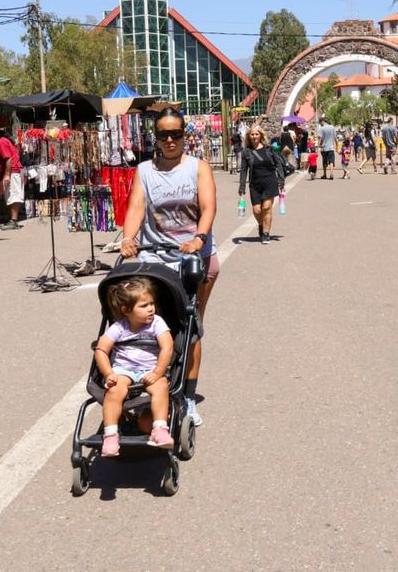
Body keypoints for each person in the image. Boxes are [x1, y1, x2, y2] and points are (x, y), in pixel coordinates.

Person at [121, 107, 218, 427]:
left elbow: (208, 206)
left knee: (190, 327)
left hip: (194, 259)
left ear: (184, 135)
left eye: (175, 134)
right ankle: (152, 386)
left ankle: (188, 397)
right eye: (163, 135)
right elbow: (136, 207)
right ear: (156, 138)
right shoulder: (145, 170)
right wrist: (128, 238)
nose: (170, 140)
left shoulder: (198, 168)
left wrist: (199, 238)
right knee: (149, 324)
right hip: (155, 259)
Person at [94, 277, 174, 456]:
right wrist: (108, 373)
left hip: (151, 369)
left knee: (160, 386)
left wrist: (157, 372)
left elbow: (167, 347)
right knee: (114, 390)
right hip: (124, 370)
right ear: (126, 310)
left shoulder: (157, 323)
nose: (151, 309)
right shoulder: (119, 328)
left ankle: (159, 429)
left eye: (152, 304)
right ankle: (111, 435)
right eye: (144, 305)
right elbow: (100, 350)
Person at [238, 124, 285, 244]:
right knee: (257, 210)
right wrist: (242, 185)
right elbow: (244, 170)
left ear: (260, 135)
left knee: (266, 208)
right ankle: (261, 225)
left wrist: (281, 179)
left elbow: (278, 163)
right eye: (252, 134)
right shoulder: (246, 152)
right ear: (249, 136)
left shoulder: (269, 149)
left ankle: (266, 233)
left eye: (256, 134)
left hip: (269, 182)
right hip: (255, 184)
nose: (254, 136)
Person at [0, 126, 24, 230]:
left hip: (13, 172)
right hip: (12, 172)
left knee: (13, 195)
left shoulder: (1, 142)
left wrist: (7, 175)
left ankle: (13, 220)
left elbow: (8, 159)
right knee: (10, 195)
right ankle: (12, 219)